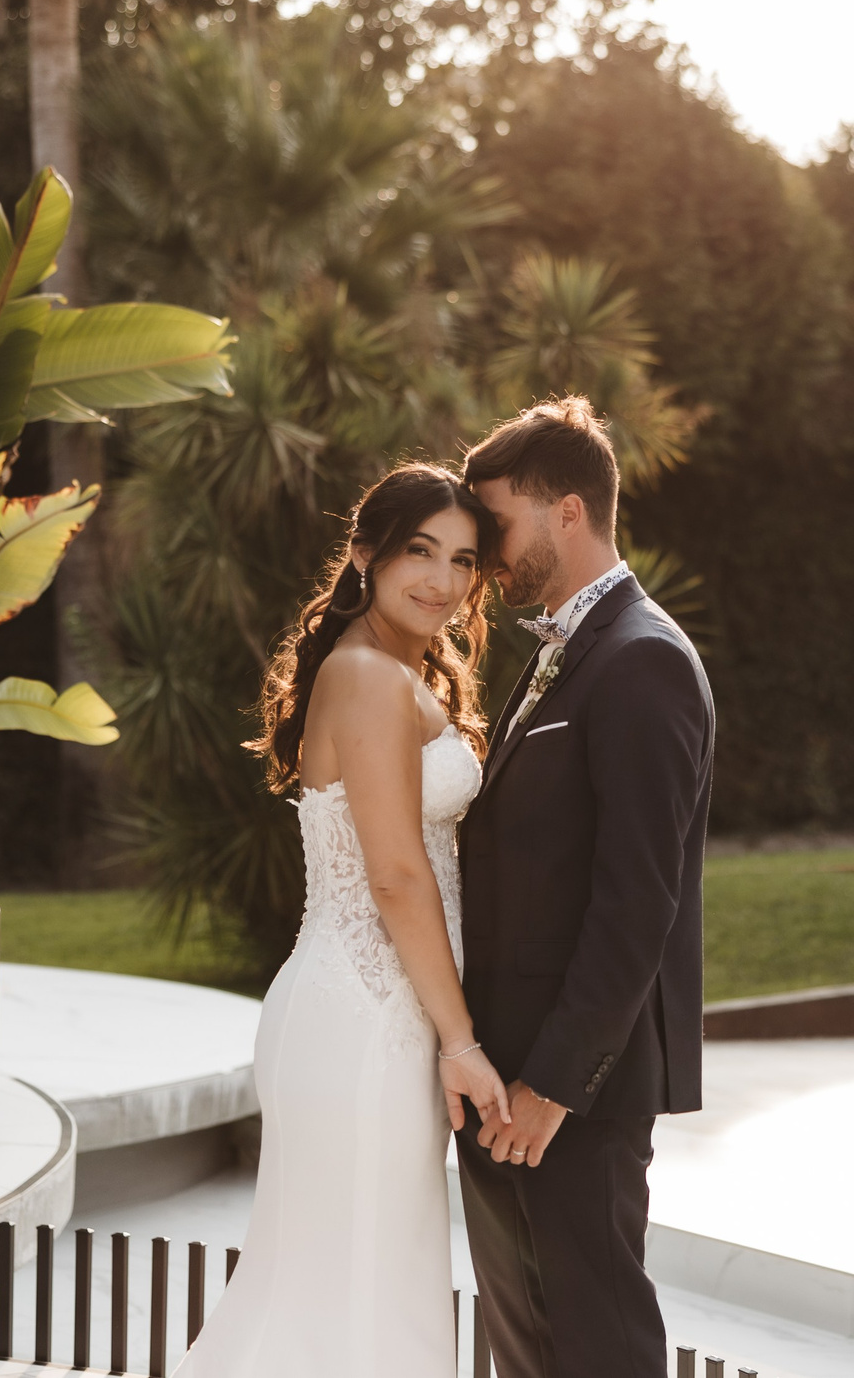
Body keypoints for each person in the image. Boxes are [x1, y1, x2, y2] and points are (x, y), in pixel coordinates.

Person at [176, 462, 512, 1378]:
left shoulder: (394, 668)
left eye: (463, 560)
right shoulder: (367, 675)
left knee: (345, 1283)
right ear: (363, 553)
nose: (442, 580)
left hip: (373, 1014)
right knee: (349, 1291)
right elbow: (398, 877)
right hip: (365, 1017)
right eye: (419, 550)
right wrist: (460, 1040)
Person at [458, 396, 717, 1378]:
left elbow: (635, 901)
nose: (485, 553)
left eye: (498, 525)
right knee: (529, 1337)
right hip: (507, 1077)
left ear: (567, 510)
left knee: (594, 1335)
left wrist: (554, 1084)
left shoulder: (643, 659)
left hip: (569, 1090)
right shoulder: (560, 653)